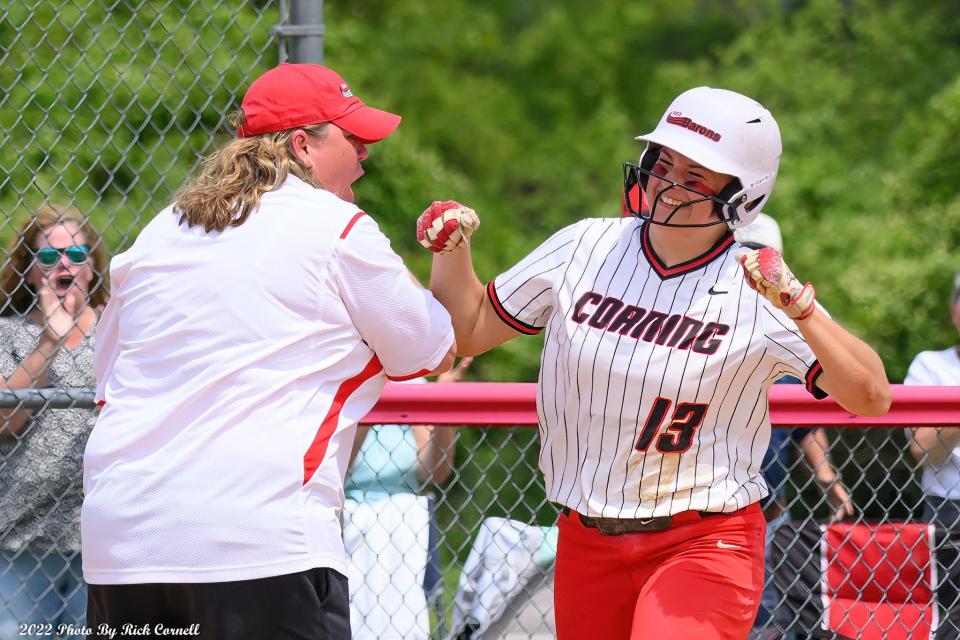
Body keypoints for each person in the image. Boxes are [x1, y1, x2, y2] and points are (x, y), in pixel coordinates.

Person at [417, 86, 891, 640]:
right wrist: (452, 255)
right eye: (661, 162)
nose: (666, 183)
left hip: (703, 540)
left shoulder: (755, 286)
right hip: (586, 536)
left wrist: (802, 308)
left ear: (741, 196)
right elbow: (467, 333)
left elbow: (871, 396)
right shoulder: (584, 246)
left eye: (695, 177)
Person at [81, 63, 456, 640]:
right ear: (303, 145)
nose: (365, 154)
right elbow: (431, 349)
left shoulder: (160, 229)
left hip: (124, 542)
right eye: (352, 138)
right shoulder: (334, 226)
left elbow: (110, 384)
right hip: (258, 540)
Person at [734, 214, 853, 638]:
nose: (746, 266)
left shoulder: (789, 325)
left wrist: (827, 476)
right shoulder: (707, 316)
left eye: (757, 259)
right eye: (738, 254)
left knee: (765, 613)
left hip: (768, 507)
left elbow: (804, 418)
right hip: (705, 502)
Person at [0, 204, 109, 640]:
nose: (64, 263)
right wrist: (50, 339)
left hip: (104, 531)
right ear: (29, 273)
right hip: (25, 536)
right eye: (48, 257)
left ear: (92, 266)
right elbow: (6, 421)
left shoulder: (118, 328)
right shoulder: (9, 332)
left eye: (76, 254)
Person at [343, 357, 472, 640]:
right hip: (348, 516)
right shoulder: (343, 380)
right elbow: (339, 467)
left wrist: (441, 408)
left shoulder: (414, 383)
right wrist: (371, 399)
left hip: (406, 522)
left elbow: (433, 472)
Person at [906, 269, 960, 639]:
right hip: (949, 511)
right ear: (955, 310)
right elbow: (925, 453)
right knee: (947, 624)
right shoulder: (931, 365)